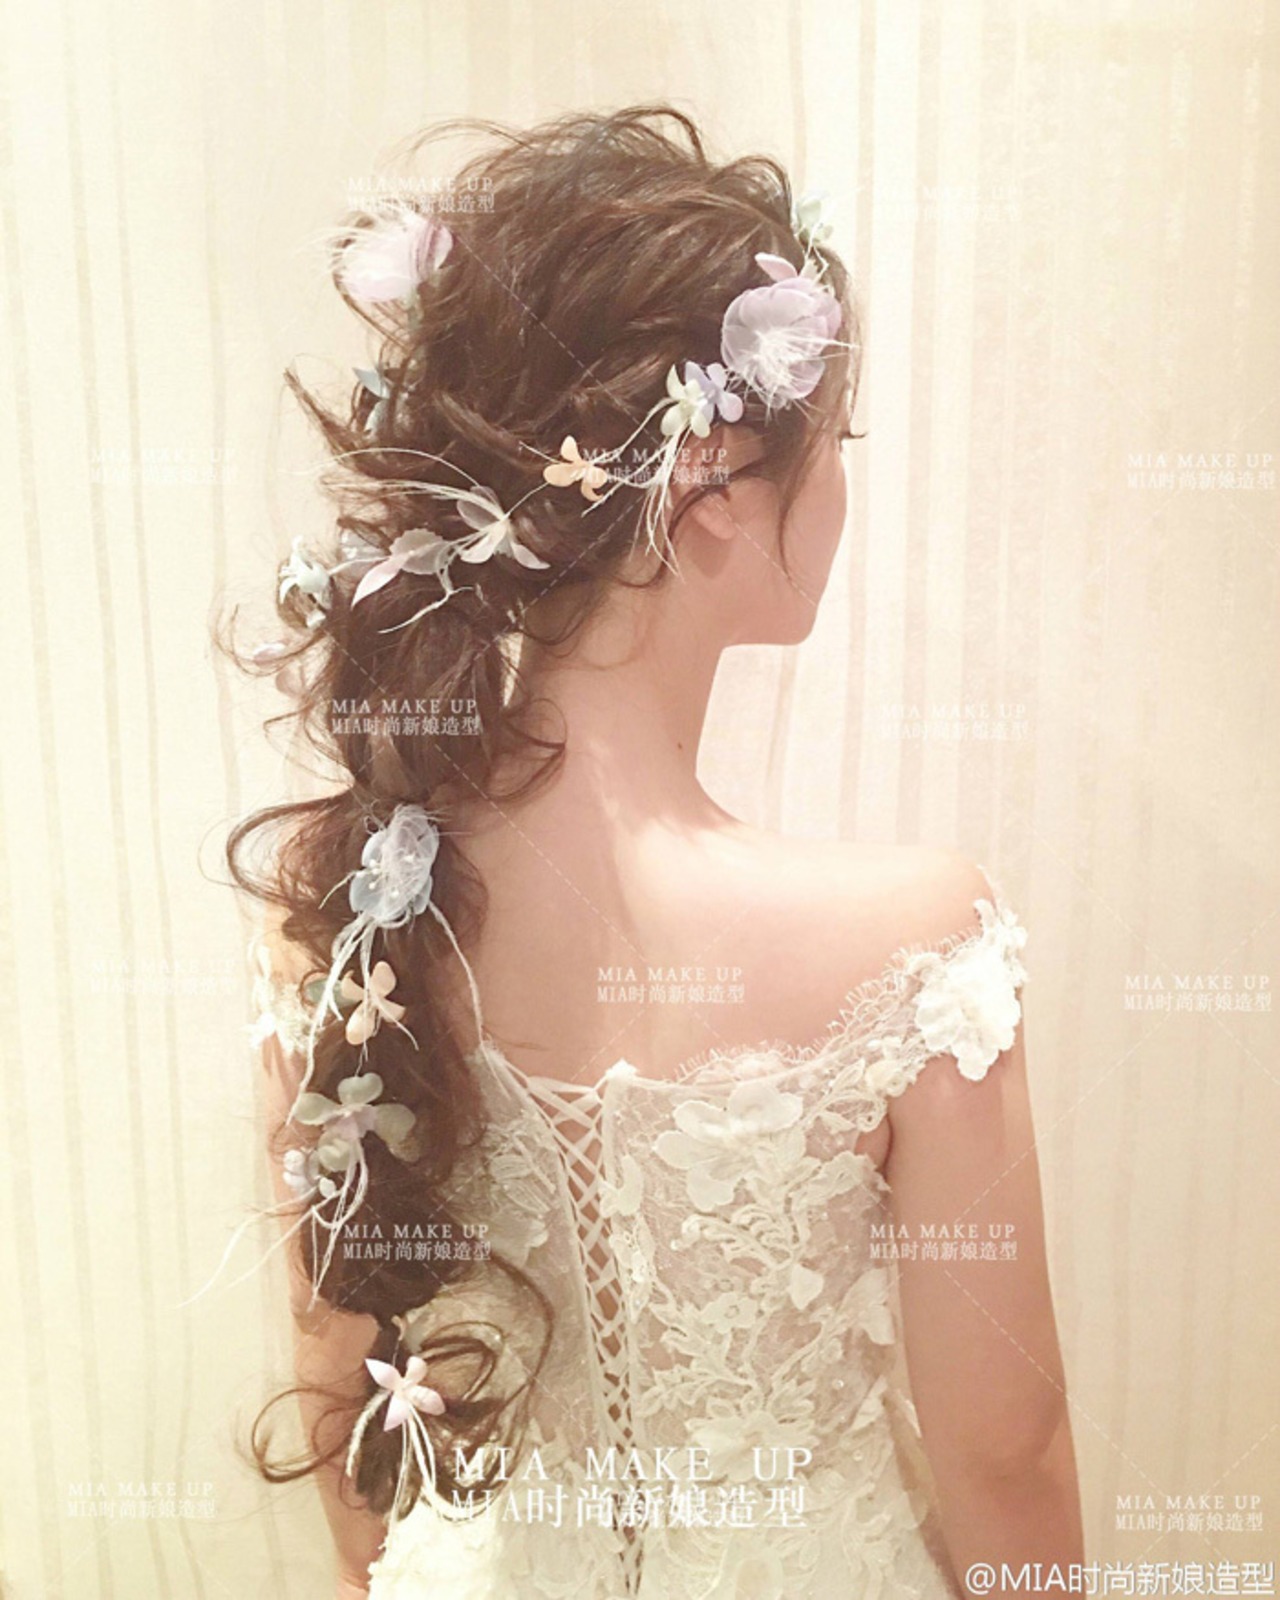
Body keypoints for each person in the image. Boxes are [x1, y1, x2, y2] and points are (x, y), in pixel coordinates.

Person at [234, 104, 1083, 1599]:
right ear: (711, 488)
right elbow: (1005, 1451)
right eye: (833, 446)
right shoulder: (914, 940)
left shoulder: (345, 912)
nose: (841, 487)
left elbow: (341, 1391)